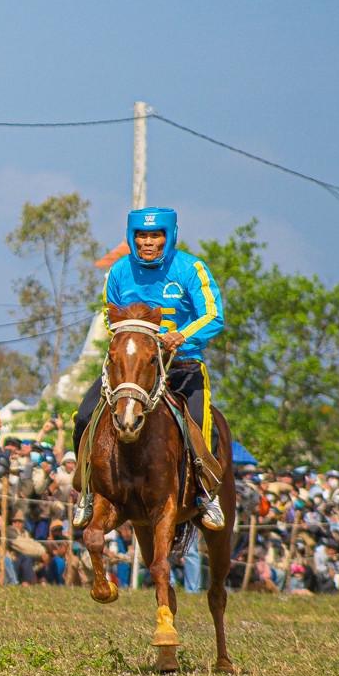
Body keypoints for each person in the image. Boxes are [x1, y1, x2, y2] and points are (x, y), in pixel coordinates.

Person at [71, 207, 227, 531]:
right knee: (84, 416)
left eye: (155, 235)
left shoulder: (191, 268)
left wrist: (181, 335)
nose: (148, 242)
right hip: (132, 370)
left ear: (169, 236)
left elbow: (214, 314)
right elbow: (108, 315)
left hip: (182, 366)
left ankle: (205, 494)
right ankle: (87, 492)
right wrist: (139, 340)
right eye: (142, 235)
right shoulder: (117, 271)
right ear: (132, 237)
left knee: (200, 422)